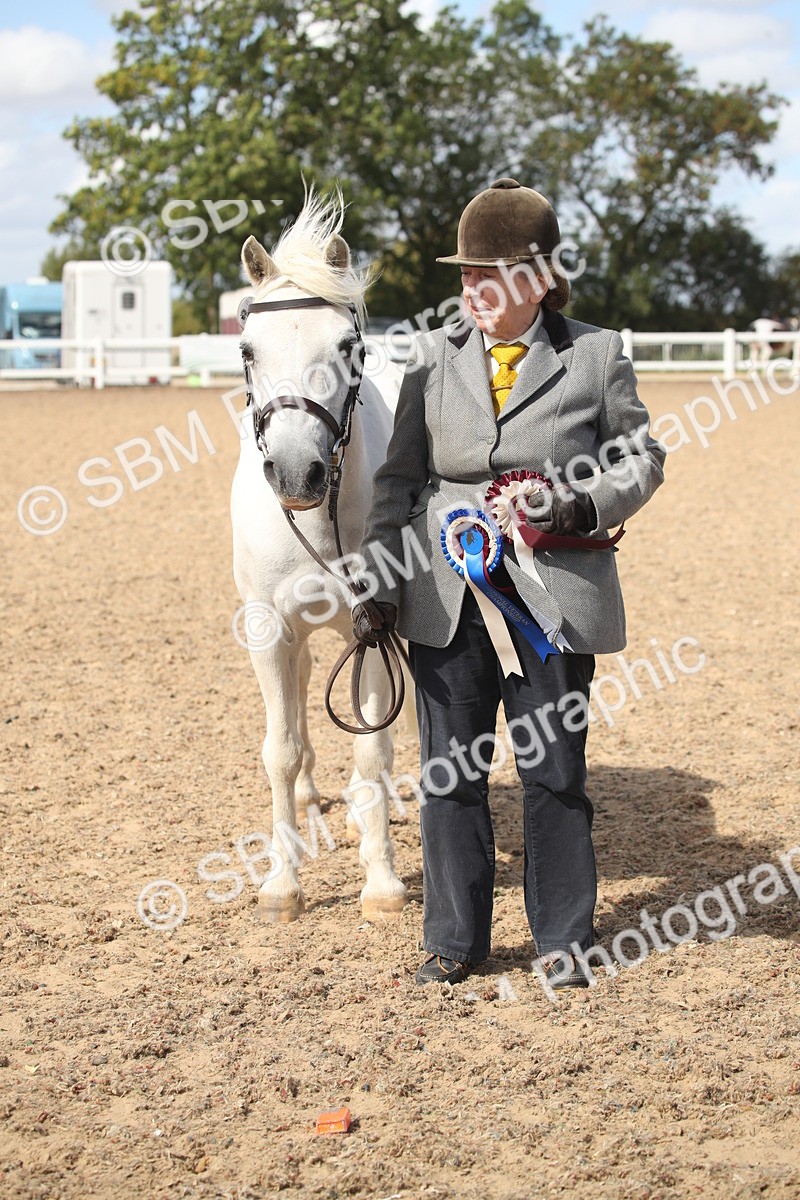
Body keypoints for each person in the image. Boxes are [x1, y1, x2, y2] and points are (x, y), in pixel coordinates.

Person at [352, 178, 665, 989]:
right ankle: (455, 942)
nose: (471, 293)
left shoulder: (595, 355)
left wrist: (580, 500)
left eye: (487, 278)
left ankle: (564, 937)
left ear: (536, 281)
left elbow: (644, 458)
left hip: (550, 599)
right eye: (465, 278)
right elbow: (398, 482)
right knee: (449, 776)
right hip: (445, 596)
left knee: (553, 772)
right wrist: (379, 579)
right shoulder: (430, 358)